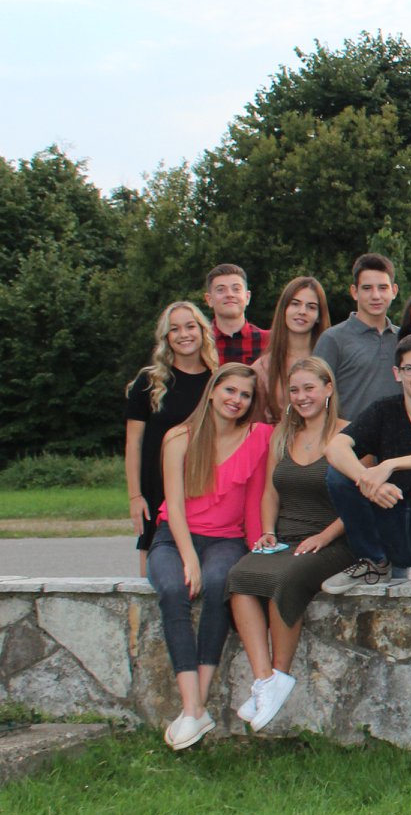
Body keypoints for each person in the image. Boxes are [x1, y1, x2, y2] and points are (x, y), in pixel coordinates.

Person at [226, 357, 354, 734]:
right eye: (294, 390)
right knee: (239, 577)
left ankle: (280, 673)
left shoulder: (349, 434)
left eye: (309, 388)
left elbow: (358, 501)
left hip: (336, 538)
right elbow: (270, 492)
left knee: (286, 579)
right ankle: (266, 680)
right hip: (286, 538)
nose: (301, 397)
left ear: (328, 388)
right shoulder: (282, 434)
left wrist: (324, 536)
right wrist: (268, 530)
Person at [150, 364, 273, 750]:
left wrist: (258, 547)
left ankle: (195, 708)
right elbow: (174, 504)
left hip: (226, 540)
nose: (236, 400)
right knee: (174, 589)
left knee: (221, 582)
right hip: (174, 538)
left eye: (245, 395)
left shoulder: (258, 436)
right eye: (230, 390)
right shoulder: (179, 437)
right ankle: (193, 707)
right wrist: (189, 559)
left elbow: (256, 499)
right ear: (213, 390)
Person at [322, 334, 411, 587]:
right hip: (391, 523)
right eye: (410, 368)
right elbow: (335, 447)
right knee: (337, 475)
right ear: (397, 373)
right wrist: (368, 480)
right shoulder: (384, 409)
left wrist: (389, 465)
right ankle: (373, 562)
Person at [125, 302, 217, 563]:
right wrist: (135, 496)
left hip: (201, 484)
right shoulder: (149, 382)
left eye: (190, 326)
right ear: (166, 337)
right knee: (154, 562)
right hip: (156, 486)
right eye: (174, 329)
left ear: (202, 331)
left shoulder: (217, 381)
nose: (183, 334)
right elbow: (133, 443)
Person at [312, 253, 401, 420]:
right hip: (347, 435)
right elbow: (315, 396)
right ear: (354, 292)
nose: (376, 295)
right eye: (367, 288)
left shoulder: (405, 339)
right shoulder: (333, 339)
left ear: (394, 291)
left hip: (399, 435)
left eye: (383, 288)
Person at [250, 276, 329, 424]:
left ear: (319, 315)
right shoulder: (263, 368)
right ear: (284, 310)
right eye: (295, 304)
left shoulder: (332, 359)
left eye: (311, 307)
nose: (302, 311)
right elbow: (255, 425)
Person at [204, 264, 269, 366]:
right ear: (209, 299)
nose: (229, 294)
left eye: (236, 289)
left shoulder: (269, 342)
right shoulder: (201, 343)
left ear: (247, 297)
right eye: (221, 290)